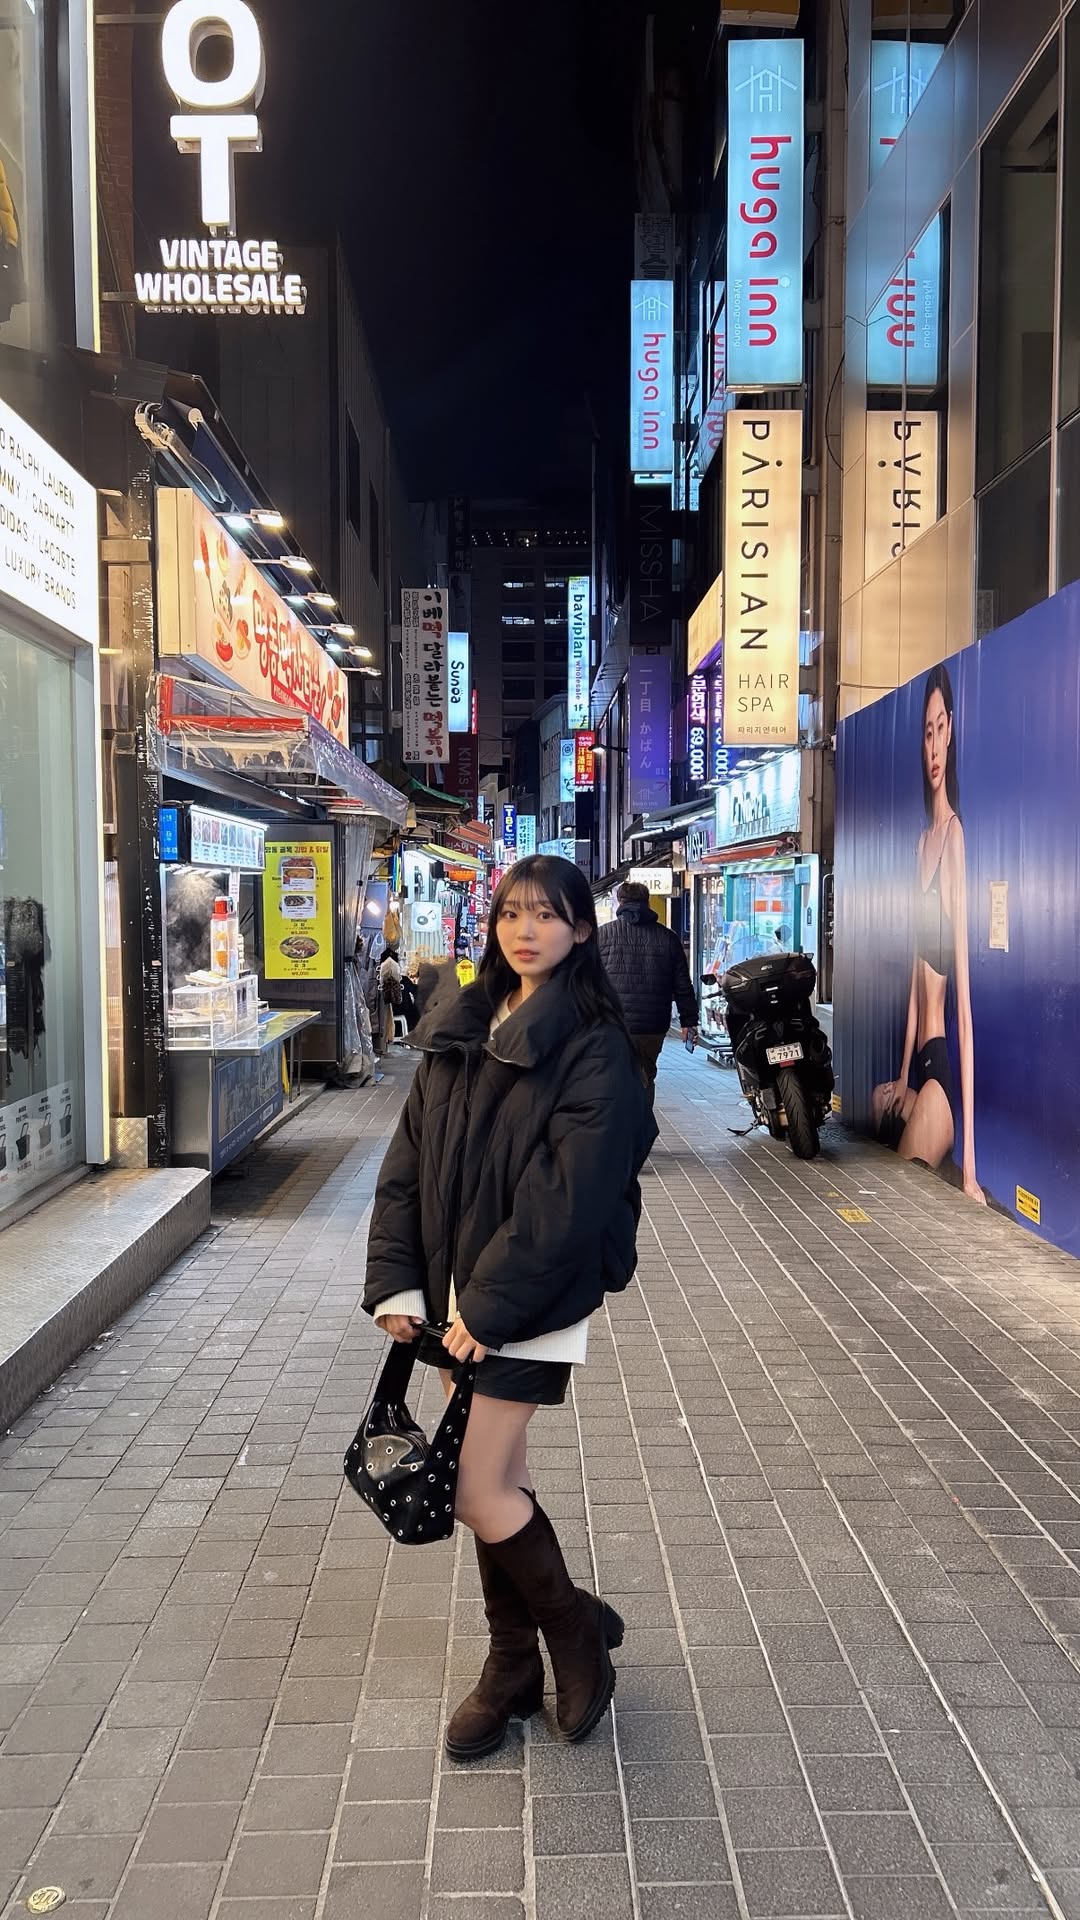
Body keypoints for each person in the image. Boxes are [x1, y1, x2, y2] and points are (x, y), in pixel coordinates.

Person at [364, 855, 657, 1760]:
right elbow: (408, 1161)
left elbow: (568, 1200)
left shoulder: (595, 1045)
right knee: (500, 1484)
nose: (526, 931)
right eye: (511, 914)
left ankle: (572, 1631)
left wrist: (487, 1308)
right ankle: (513, 1665)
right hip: (454, 1298)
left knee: (470, 1488)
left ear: (581, 930)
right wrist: (397, 1283)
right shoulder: (464, 1020)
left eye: (548, 915)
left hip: (530, 1299)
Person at [872, 664, 984, 1202]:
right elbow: (915, 991)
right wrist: (901, 1077)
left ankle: (958, 1162)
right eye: (926, 732)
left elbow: (963, 1011)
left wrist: (970, 1172)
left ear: (952, 731)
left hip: (940, 1079)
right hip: (919, 1070)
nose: (934, 746)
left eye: (941, 729)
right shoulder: (922, 845)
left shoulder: (955, 839)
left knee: (895, 1197)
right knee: (876, 1103)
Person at [596, 880, 698, 1104]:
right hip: (652, 1026)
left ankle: (618, 1121)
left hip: (613, 1024)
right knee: (645, 1075)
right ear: (647, 902)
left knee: (614, 1077)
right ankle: (642, 1121)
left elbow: (588, 982)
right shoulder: (668, 938)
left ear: (620, 902)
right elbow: (683, 985)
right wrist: (689, 1022)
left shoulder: (602, 935)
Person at [377, 942, 403, 1053]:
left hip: (385, 997)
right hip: (393, 1001)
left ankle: (386, 1037)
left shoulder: (384, 962)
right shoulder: (393, 964)